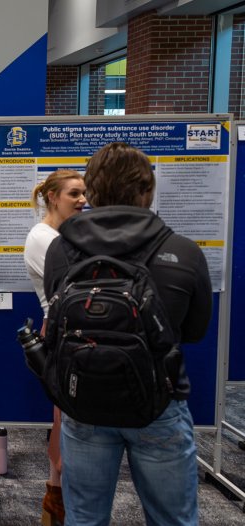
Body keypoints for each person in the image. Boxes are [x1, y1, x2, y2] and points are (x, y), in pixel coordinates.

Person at [44, 142, 212, 526]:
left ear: (93, 191)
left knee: (84, 517)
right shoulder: (183, 251)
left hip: (83, 399)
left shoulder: (61, 248)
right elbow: (196, 331)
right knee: (173, 519)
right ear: (146, 190)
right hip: (159, 402)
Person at [23, 169, 87, 526]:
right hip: (65, 335)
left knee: (67, 425)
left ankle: (56, 502)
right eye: (74, 194)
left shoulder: (68, 235)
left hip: (76, 334)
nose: (82, 200)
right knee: (65, 429)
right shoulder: (43, 239)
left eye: (83, 193)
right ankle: (56, 505)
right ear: (52, 197)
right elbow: (73, 291)